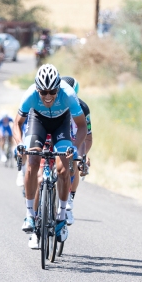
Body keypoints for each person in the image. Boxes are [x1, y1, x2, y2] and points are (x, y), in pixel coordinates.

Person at [12, 64, 87, 245]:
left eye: (52, 91)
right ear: (37, 89)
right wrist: (20, 144)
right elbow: (17, 123)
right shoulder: (30, 95)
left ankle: (61, 217)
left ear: (58, 88)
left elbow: (82, 126)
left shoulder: (68, 95)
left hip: (61, 124)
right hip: (38, 121)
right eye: (43, 92)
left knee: (62, 170)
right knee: (33, 161)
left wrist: (75, 148)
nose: (47, 97)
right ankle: (30, 215)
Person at [60, 76, 93, 225]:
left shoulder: (83, 108)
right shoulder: (52, 103)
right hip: (57, 137)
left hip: (74, 139)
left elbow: (87, 137)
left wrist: (83, 156)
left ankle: (70, 200)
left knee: (74, 162)